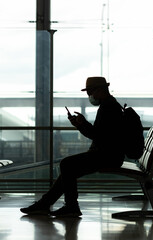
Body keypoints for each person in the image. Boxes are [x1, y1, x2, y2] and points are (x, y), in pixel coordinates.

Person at [20, 76, 125, 217]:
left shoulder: (109, 108)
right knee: (68, 168)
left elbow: (98, 135)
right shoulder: (110, 105)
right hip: (108, 154)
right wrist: (80, 125)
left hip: (107, 156)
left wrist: (83, 124)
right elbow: (100, 134)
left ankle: (69, 206)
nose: (89, 96)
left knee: (67, 165)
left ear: (100, 90)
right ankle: (48, 204)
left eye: (90, 92)